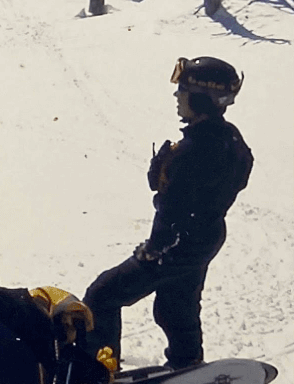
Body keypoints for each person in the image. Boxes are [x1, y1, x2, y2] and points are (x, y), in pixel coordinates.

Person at [82, 56, 254, 372]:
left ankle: (99, 369)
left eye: (184, 90)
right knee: (177, 306)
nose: (177, 96)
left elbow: (174, 209)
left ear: (203, 98)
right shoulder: (230, 138)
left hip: (178, 242)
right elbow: (235, 176)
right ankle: (187, 362)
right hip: (205, 236)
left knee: (103, 295)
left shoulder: (194, 149)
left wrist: (155, 248)